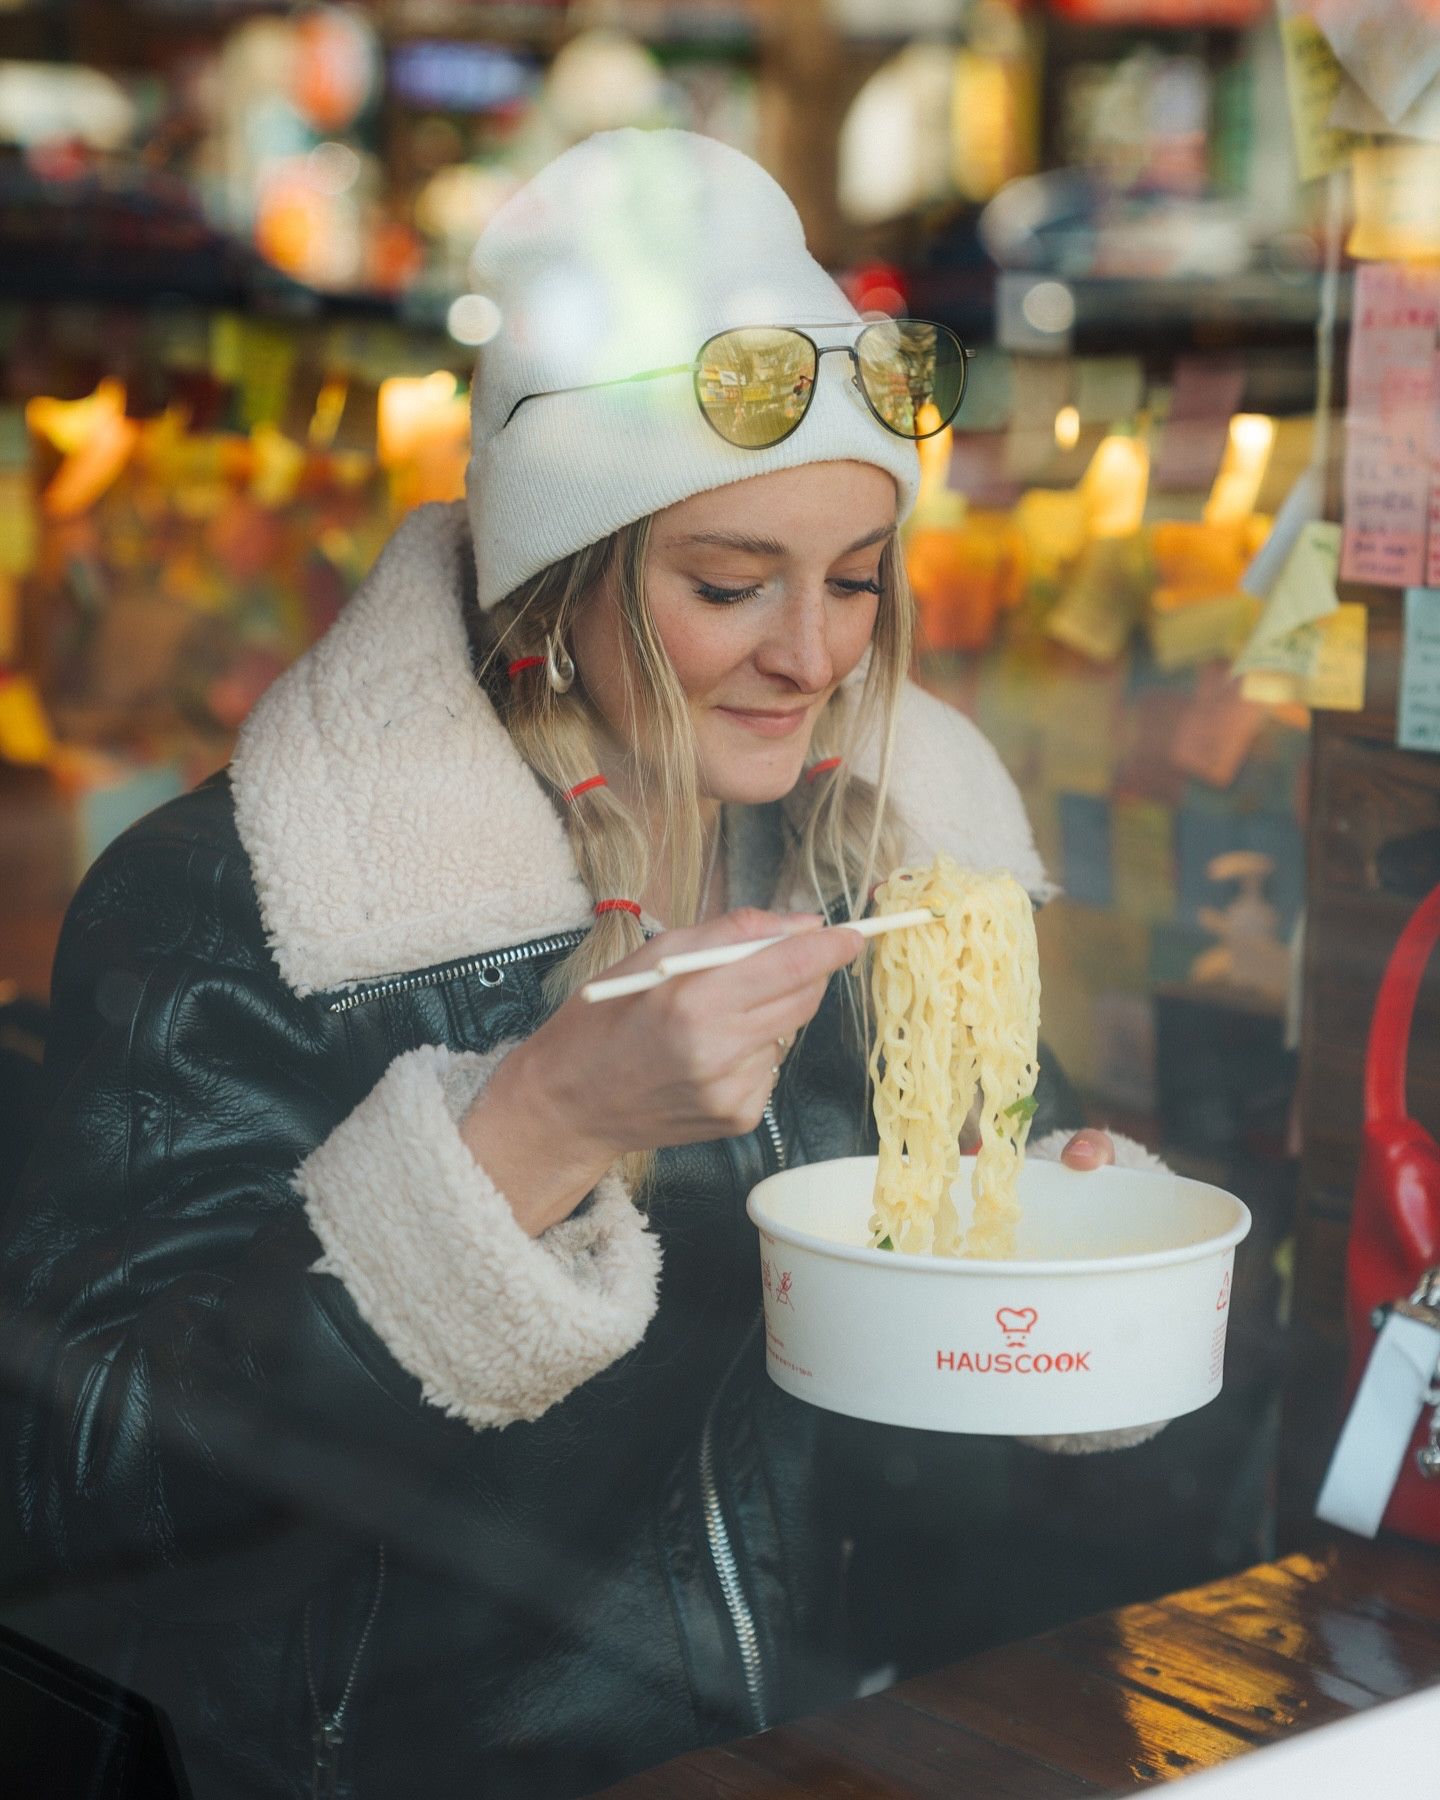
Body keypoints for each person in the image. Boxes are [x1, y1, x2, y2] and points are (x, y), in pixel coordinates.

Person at [0, 130, 1159, 1800]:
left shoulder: (892, 863)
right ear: (556, 583)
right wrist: (539, 1128)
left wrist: (1065, 1259)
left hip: (829, 1748)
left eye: (856, 580)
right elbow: (80, 1499)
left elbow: (912, 1433)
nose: (815, 655)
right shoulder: (256, 899)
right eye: (730, 584)